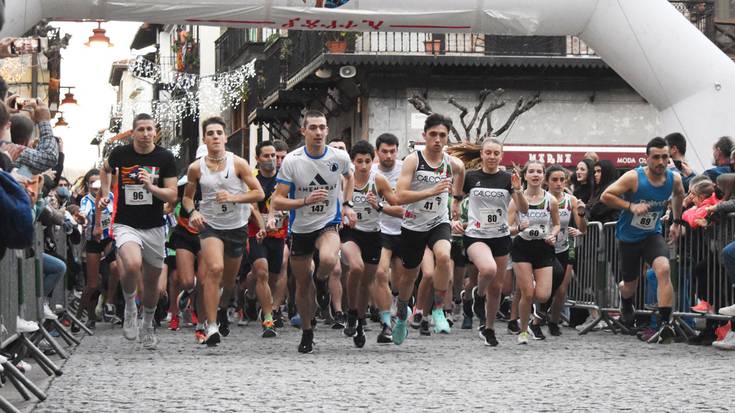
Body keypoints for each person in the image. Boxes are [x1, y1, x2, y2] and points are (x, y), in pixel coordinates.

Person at [271, 110, 356, 354]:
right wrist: (304, 201)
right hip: (301, 228)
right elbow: (278, 201)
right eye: (313, 128)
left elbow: (349, 177)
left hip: (328, 221)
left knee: (329, 259)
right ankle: (307, 331)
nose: (318, 132)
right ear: (304, 131)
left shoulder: (339, 156)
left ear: (327, 130)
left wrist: (347, 204)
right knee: (301, 283)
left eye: (322, 127)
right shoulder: (292, 161)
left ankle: (322, 284)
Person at [97, 113, 178, 349]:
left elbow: (172, 194)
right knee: (131, 264)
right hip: (126, 223)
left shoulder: (165, 157)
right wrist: (105, 194)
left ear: (156, 132)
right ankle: (130, 306)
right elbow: (105, 169)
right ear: (133, 132)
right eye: (140, 129)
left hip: (154, 225)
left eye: (149, 129)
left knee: (154, 285)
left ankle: (148, 323)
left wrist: (151, 187)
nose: (145, 134)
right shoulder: (120, 154)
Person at [182, 116, 264, 346]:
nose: (215, 136)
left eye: (219, 132)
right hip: (210, 225)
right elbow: (187, 199)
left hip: (236, 226)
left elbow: (259, 194)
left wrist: (235, 197)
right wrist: (193, 213)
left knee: (228, 281)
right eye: (210, 133)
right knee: (213, 269)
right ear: (205, 139)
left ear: (225, 137)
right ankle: (211, 326)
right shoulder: (195, 168)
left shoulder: (238, 163)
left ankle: (222, 309)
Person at [601, 136, 685, 343]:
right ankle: (626, 301)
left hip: (651, 235)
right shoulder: (634, 177)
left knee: (664, 269)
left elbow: (679, 195)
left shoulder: (674, 179)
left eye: (665, 157)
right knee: (629, 285)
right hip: (629, 238)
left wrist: (676, 221)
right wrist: (631, 207)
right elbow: (606, 195)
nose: (660, 162)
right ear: (646, 158)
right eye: (656, 157)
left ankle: (665, 323)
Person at [391, 113, 465, 345]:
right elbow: (399, 196)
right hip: (413, 225)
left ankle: (439, 309)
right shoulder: (413, 160)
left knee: (444, 257)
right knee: (409, 277)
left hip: (438, 222)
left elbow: (461, 174)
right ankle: (403, 314)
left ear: (447, 138)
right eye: (433, 134)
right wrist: (431, 191)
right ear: (424, 136)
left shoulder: (453, 163)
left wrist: (456, 200)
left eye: (442, 135)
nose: (437, 139)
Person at [454, 138, 526, 346]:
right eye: (488, 153)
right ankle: (477, 294)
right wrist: (455, 219)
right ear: (482, 155)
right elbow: (455, 200)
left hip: (501, 236)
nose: (492, 157)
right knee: (487, 270)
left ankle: (489, 328)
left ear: (501, 156)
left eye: (496, 153)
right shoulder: (471, 176)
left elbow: (523, 209)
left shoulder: (507, 178)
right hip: (476, 234)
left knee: (497, 288)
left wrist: (518, 189)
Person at [340, 140, 397, 347]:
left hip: (373, 235)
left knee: (366, 282)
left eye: (367, 161)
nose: (363, 166)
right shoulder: (345, 180)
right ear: (352, 162)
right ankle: (352, 312)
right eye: (359, 162)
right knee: (356, 267)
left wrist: (379, 205)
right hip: (350, 233)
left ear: (373, 161)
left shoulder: (378, 180)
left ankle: (360, 323)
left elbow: (399, 208)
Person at [508, 160, 561, 344]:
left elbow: (556, 224)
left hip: (543, 247)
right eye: (531, 171)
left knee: (543, 295)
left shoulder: (551, 200)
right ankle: (523, 331)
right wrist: (518, 228)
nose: (536, 174)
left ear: (543, 176)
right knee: (527, 293)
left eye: (539, 171)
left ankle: (532, 322)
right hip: (522, 247)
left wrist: (553, 235)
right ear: (525, 175)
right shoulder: (516, 199)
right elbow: (508, 228)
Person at [247, 140, 289, 338]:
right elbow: (253, 207)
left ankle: (254, 298)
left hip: (278, 235)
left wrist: (285, 214)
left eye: (274, 155)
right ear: (257, 159)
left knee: (272, 276)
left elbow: (290, 202)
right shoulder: (251, 178)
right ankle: (268, 319)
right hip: (256, 234)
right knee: (262, 272)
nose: (271, 159)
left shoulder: (285, 179)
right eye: (266, 156)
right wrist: (262, 227)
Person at [370, 133, 406, 344]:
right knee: (381, 273)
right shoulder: (371, 172)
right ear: (377, 152)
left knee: (399, 282)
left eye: (393, 151)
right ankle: (386, 324)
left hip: (403, 230)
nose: (389, 155)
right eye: (384, 151)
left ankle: (396, 307)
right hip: (380, 229)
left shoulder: (404, 169)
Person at [544, 165, 587, 336]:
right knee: (544, 288)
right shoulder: (541, 198)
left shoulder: (571, 200)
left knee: (562, 288)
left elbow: (583, 227)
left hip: (565, 245)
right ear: (547, 181)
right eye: (554, 180)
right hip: (544, 246)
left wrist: (581, 221)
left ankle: (553, 321)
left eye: (562, 180)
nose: (559, 183)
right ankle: (536, 316)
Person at [79, 168, 115, 330]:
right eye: (93, 182)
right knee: (93, 283)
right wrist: (82, 218)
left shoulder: (112, 197)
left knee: (116, 269)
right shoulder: (86, 200)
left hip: (109, 240)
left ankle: (110, 304)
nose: (96, 186)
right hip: (93, 242)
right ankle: (82, 316)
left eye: (99, 182)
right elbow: (84, 213)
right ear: (88, 185)